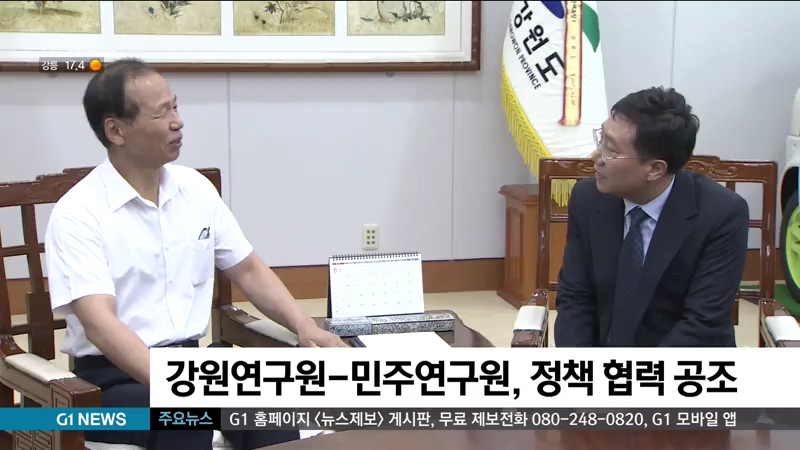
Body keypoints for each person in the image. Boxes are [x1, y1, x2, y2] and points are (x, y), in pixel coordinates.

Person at [44, 58, 347, 450]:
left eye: (175, 106)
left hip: (190, 365)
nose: (178, 122)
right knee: (184, 416)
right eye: (161, 113)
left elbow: (248, 268)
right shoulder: (79, 212)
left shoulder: (196, 189)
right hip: (111, 382)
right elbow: (100, 324)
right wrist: (179, 387)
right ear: (116, 130)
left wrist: (304, 325)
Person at [553, 86, 749, 348]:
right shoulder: (587, 198)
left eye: (611, 149)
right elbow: (575, 298)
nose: (596, 156)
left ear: (655, 169)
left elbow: (703, 323)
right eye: (601, 140)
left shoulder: (721, 214)